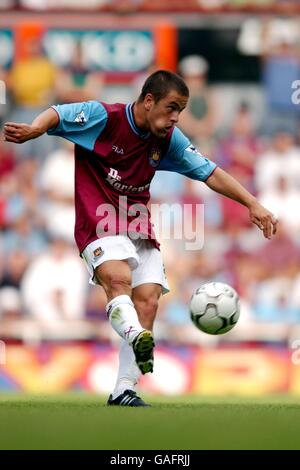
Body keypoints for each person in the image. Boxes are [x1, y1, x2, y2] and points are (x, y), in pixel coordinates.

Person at [3, 70, 277, 407]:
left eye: (181, 110)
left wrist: (253, 203)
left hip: (137, 224)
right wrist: (36, 129)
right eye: (171, 107)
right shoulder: (105, 117)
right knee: (118, 279)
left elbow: (210, 172)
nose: (175, 117)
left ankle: (123, 388)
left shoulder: (169, 139)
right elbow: (59, 112)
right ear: (149, 101)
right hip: (98, 219)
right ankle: (138, 336)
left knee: (148, 300)